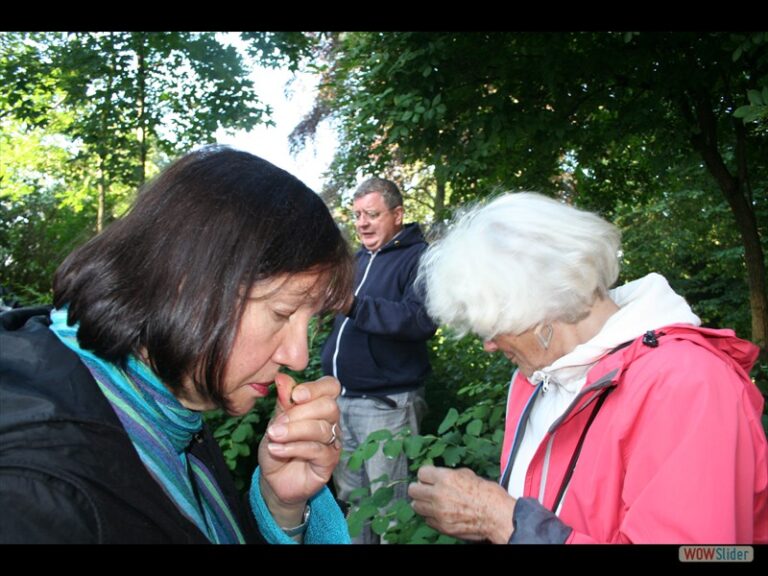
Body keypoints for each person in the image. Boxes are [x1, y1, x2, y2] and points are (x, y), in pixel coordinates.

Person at [0, 146, 355, 544]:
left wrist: (282, 507)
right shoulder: (38, 495)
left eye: (312, 322)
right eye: (283, 313)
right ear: (189, 285)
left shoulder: (162, 410)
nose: (298, 356)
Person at [409, 192, 768, 544]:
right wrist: (490, 519)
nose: (488, 345)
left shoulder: (687, 385)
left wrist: (506, 522)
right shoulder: (532, 381)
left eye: (490, 327)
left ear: (541, 307)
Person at [321, 177, 437, 544]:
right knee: (356, 507)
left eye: (372, 214)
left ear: (398, 214)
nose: (362, 223)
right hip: (343, 400)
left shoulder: (420, 259)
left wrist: (354, 305)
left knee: (390, 512)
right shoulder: (356, 261)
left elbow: (420, 321)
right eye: (357, 215)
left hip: (387, 405)